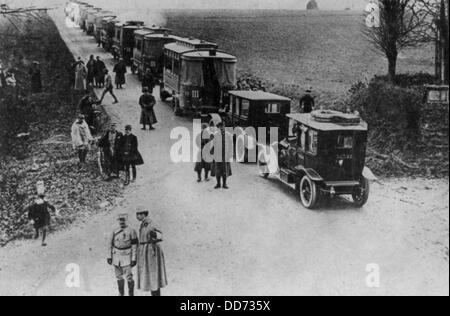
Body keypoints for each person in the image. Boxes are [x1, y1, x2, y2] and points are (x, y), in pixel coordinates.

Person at [136, 209, 167, 296]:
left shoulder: (151, 223)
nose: (137, 216)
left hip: (151, 252)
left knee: (153, 276)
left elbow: (161, 235)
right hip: (145, 252)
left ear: (144, 214)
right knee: (149, 277)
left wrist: (155, 235)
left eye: (139, 214)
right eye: (137, 214)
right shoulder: (143, 224)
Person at [107, 214, 138, 296]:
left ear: (126, 220)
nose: (122, 222)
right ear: (118, 221)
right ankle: (121, 294)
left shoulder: (132, 231)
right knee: (119, 276)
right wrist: (109, 256)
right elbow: (109, 244)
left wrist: (134, 258)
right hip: (116, 256)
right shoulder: (114, 230)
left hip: (127, 256)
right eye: (120, 220)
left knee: (129, 277)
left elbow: (135, 246)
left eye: (123, 220)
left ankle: (131, 294)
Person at [211, 122, 233, 189]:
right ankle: (218, 184)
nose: (221, 128)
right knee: (217, 170)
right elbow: (213, 144)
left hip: (225, 155)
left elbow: (231, 145)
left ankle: (224, 184)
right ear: (219, 127)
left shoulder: (228, 135)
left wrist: (230, 154)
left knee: (225, 170)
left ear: (224, 126)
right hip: (218, 155)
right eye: (220, 127)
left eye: (222, 126)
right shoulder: (216, 134)